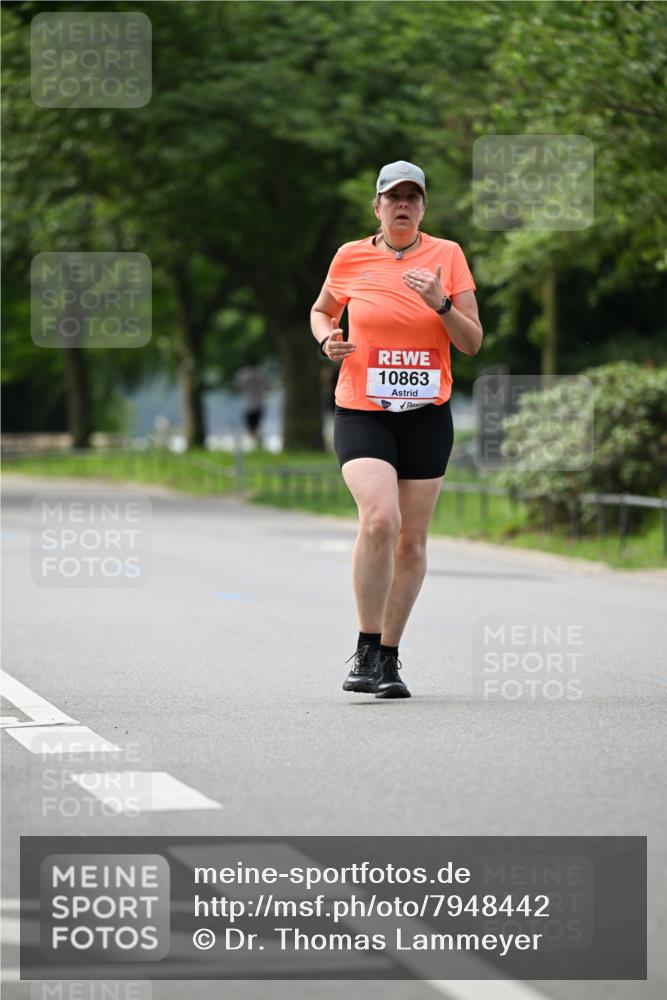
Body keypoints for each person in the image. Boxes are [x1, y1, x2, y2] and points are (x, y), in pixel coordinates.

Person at [310, 160, 483, 699]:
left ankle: (388, 658)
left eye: (413, 197)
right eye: (393, 197)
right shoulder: (350, 256)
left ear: (424, 206)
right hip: (363, 409)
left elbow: (472, 342)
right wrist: (326, 340)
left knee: (411, 541)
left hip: (426, 414)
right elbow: (321, 311)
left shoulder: (447, 256)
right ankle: (365, 647)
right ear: (378, 206)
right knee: (381, 518)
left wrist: (442, 303)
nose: (403, 205)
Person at [233, 357, 270, 446]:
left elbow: (236, 386)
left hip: (249, 405)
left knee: (250, 428)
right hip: (260, 404)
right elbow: (269, 387)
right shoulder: (261, 373)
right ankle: (260, 443)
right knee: (256, 427)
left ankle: (259, 443)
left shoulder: (243, 374)